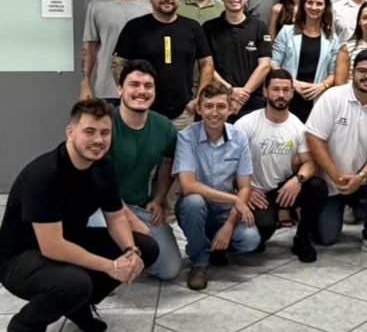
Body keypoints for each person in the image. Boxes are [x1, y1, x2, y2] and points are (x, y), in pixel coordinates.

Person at [0, 99, 159, 332]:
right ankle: (24, 325)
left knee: (147, 247)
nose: (98, 140)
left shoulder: (103, 167)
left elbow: (116, 217)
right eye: (89, 131)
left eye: (105, 132)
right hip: (20, 258)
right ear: (70, 132)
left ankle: (77, 305)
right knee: (75, 283)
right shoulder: (45, 175)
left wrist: (130, 251)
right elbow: (52, 246)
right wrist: (110, 266)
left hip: (70, 239)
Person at [87, 60, 182, 280]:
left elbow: (168, 162)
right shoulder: (105, 126)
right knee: (101, 271)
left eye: (148, 86)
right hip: (99, 208)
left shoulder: (164, 127)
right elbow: (98, 185)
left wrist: (158, 199)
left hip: (138, 205)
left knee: (169, 269)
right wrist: (132, 222)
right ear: (120, 89)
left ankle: (128, 255)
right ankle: (105, 262)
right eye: (134, 84)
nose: (141, 91)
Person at [305, 49, 367, 260]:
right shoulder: (332, 97)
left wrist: (361, 177)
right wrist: (336, 176)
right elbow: (314, 139)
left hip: (364, 179)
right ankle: (337, 210)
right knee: (326, 239)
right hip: (331, 180)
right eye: (362, 71)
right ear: (353, 73)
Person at [173, 82, 261, 291]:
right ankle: (200, 261)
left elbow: (245, 186)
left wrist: (229, 225)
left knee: (250, 240)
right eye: (209, 106)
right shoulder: (186, 137)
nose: (214, 113)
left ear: (230, 109)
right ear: (199, 109)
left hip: (225, 211)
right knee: (194, 202)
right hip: (196, 208)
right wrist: (235, 199)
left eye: (221, 106)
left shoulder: (239, 138)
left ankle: (215, 245)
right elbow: (188, 186)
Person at [237, 70, 328, 262]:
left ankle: (302, 238)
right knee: (263, 230)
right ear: (265, 91)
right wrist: (244, 189)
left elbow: (310, 162)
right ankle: (257, 232)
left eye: (286, 90)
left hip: (283, 189)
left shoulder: (298, 127)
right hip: (255, 191)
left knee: (318, 186)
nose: (281, 95)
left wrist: (298, 180)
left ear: (292, 93)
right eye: (276, 89)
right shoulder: (246, 124)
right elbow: (229, 163)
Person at [112, 0, 214, 130]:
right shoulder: (134, 27)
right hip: (144, 112)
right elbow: (118, 64)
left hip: (183, 113)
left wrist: (199, 99)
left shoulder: (192, 27)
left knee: (182, 147)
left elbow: (207, 63)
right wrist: (131, 97)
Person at [80, 0, 151, 105]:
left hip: (142, 90)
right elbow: (89, 47)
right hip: (107, 89)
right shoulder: (97, 5)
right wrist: (85, 83)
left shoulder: (151, 8)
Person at [203, 0, 272, 122]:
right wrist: (230, 91)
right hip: (219, 102)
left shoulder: (259, 27)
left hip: (253, 103)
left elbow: (265, 66)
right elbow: (207, 66)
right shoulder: (209, 28)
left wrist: (242, 96)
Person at [271, 0, 339, 123]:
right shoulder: (287, 32)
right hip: (288, 97)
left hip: (317, 99)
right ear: (303, 5)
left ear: (325, 8)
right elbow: (273, 64)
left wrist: (321, 86)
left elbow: (334, 73)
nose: (314, 7)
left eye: (319, 3)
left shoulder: (332, 38)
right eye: (310, 2)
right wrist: (293, 83)